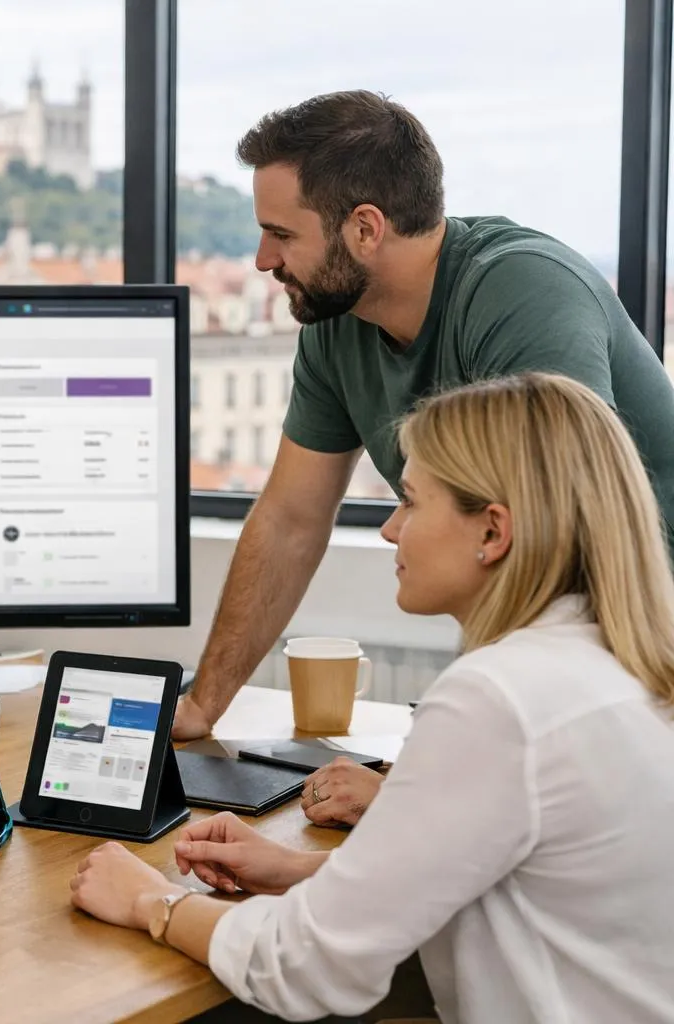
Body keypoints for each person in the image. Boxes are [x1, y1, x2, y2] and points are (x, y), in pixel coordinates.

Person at [71, 373, 674, 1022]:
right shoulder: (617, 662)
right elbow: (487, 881)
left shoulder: (500, 699)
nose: (390, 530)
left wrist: (151, 901)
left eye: (411, 502)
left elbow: (308, 969)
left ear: (492, 532)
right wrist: (290, 871)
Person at [174, 90, 674, 746]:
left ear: (365, 228)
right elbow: (290, 521)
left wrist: (436, 770)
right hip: (558, 675)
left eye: (283, 234)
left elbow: (556, 544)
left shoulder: (523, 292)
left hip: (639, 662)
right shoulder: (335, 325)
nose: (264, 259)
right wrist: (202, 708)